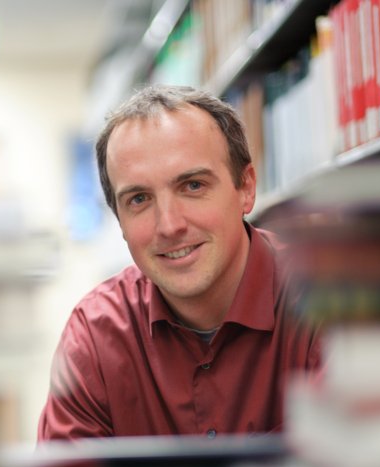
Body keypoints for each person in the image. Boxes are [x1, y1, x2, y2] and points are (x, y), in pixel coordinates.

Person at [37, 85, 321, 441]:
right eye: (139, 198)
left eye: (192, 186)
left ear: (245, 188)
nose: (170, 225)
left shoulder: (332, 299)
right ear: (119, 221)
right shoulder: (96, 337)